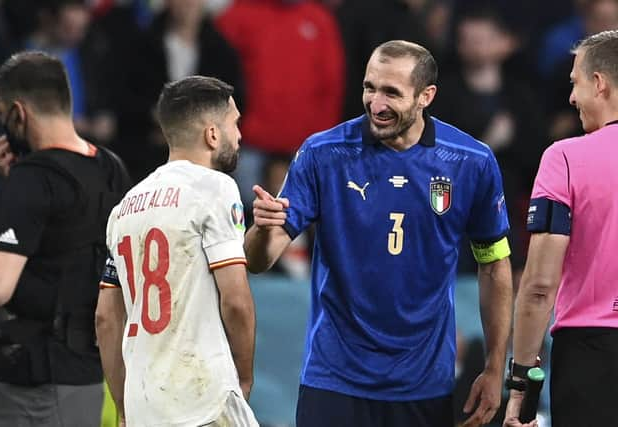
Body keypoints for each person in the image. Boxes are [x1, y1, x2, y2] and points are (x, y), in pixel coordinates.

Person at [245, 39, 513, 427]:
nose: (377, 104)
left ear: (426, 96)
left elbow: (493, 265)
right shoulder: (323, 154)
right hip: (334, 379)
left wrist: (493, 366)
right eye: (370, 88)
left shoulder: (470, 162)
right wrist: (261, 228)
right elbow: (260, 260)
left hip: (424, 385)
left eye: (392, 92)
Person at [0, 51, 131, 426]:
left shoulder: (33, 180)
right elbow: (69, 237)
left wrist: (20, 184)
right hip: (88, 378)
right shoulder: (111, 167)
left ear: (18, 112)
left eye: (2, 116)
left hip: (29, 386)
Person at [96, 75, 259, 427]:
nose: (240, 135)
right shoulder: (215, 188)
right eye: (235, 124)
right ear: (212, 134)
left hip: (145, 405)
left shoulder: (124, 208)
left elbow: (105, 318)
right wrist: (243, 377)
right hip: (203, 399)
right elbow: (235, 299)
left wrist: (125, 406)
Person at [503, 29, 618, 427]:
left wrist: (520, 389)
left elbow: (537, 287)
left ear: (599, 83)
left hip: (592, 355)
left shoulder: (565, 158)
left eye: (576, 83)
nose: (571, 98)